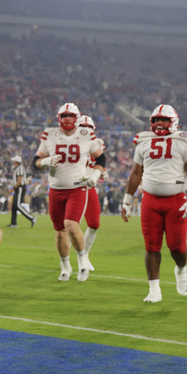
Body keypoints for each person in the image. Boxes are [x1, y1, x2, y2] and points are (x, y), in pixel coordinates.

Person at [120, 104, 187, 304]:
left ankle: (181, 270)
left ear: (174, 121)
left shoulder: (186, 141)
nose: (159, 124)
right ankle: (154, 289)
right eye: (156, 120)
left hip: (176, 200)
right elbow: (136, 173)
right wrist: (127, 200)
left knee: (177, 247)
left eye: (164, 120)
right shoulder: (143, 141)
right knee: (151, 246)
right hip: (150, 199)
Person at [33, 103, 104, 282]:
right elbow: (35, 162)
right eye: (64, 116)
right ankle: (65, 265)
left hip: (77, 187)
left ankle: (82, 260)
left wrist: (96, 174)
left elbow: (101, 157)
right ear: (59, 118)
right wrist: (45, 161)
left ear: (77, 118)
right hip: (56, 189)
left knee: (72, 225)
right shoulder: (49, 134)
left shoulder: (86, 134)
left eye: (70, 116)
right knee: (59, 231)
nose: (67, 119)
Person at [77, 115, 107, 272]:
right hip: (74, 188)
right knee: (70, 225)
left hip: (90, 187)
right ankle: (74, 258)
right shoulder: (70, 144)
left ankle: (85, 254)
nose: (86, 130)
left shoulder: (97, 144)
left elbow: (100, 162)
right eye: (83, 126)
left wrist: (103, 172)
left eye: (89, 128)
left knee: (94, 224)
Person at [7, 155, 35, 228]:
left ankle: (32, 218)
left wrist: (13, 188)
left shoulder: (20, 169)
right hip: (18, 188)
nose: (13, 162)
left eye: (14, 161)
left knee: (18, 205)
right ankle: (13, 223)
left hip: (20, 188)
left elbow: (19, 181)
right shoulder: (18, 168)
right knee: (14, 206)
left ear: (16, 162)